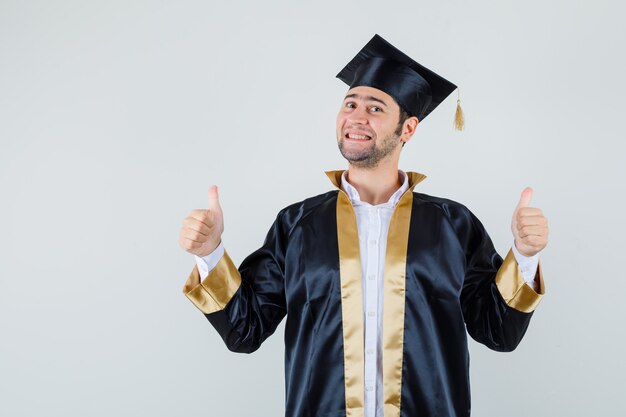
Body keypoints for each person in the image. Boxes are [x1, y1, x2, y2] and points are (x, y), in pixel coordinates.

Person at [178, 34, 548, 417]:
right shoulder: (298, 225)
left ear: (407, 129)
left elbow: (499, 332)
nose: (356, 116)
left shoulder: (453, 225)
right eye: (350, 104)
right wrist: (210, 254)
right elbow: (245, 330)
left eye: (375, 108)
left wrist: (523, 255)